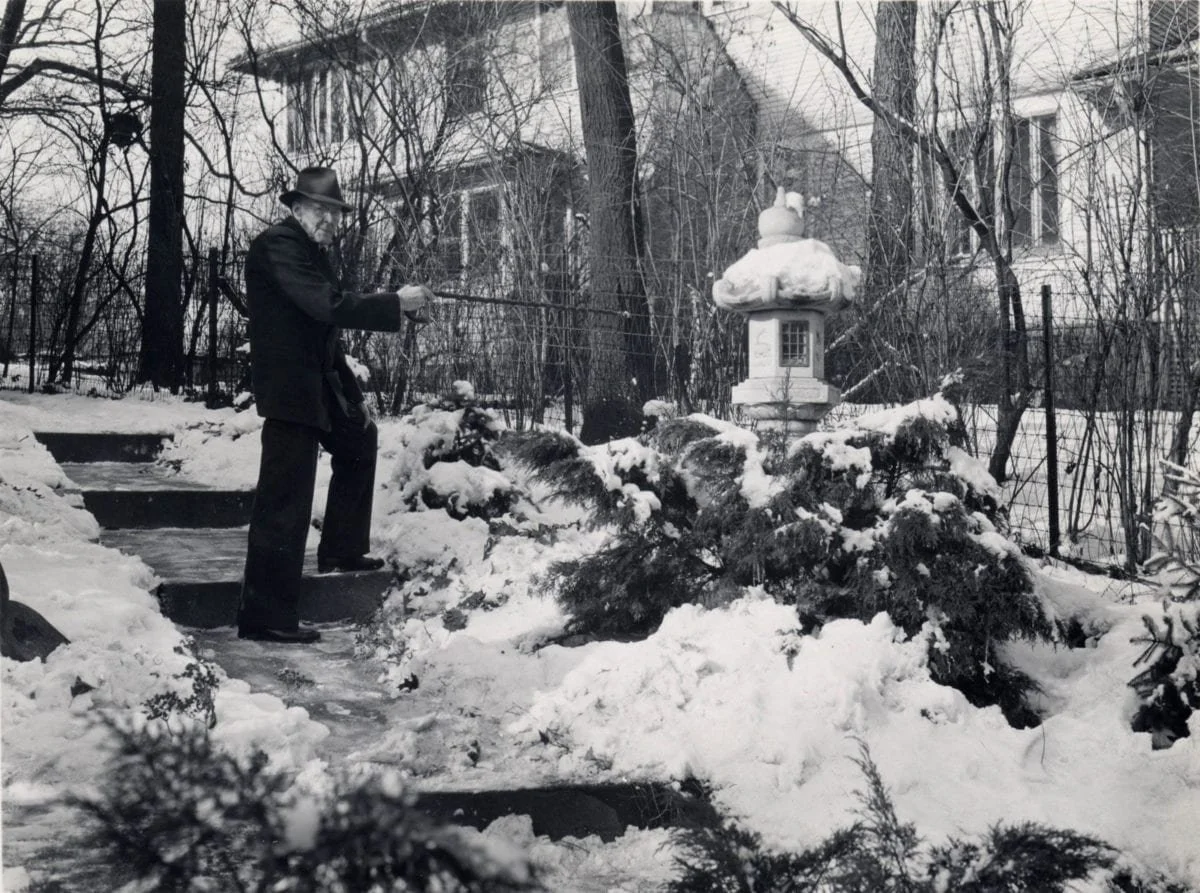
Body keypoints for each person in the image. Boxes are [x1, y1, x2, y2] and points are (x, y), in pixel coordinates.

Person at [238, 166, 432, 644]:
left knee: (359, 438)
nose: (329, 221)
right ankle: (265, 616)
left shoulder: (311, 251)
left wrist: (353, 396)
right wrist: (395, 302)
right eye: (320, 210)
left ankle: (342, 549)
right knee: (286, 499)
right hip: (288, 389)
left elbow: (326, 332)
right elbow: (328, 305)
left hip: (319, 380)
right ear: (297, 208)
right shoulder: (278, 245)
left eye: (335, 213)